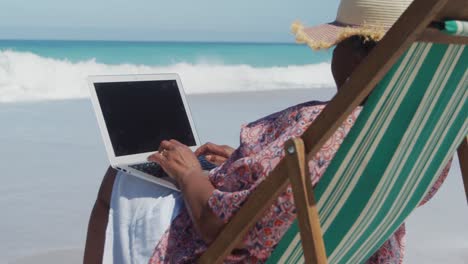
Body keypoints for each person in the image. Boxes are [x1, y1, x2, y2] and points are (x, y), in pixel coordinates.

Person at [84, 0, 452, 263]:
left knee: (118, 178)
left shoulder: (327, 129)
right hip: (353, 251)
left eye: (337, 43)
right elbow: (316, 180)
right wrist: (253, 163)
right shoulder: (428, 132)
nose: (332, 55)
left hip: (257, 251)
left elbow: (220, 228)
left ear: (360, 55)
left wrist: (189, 175)